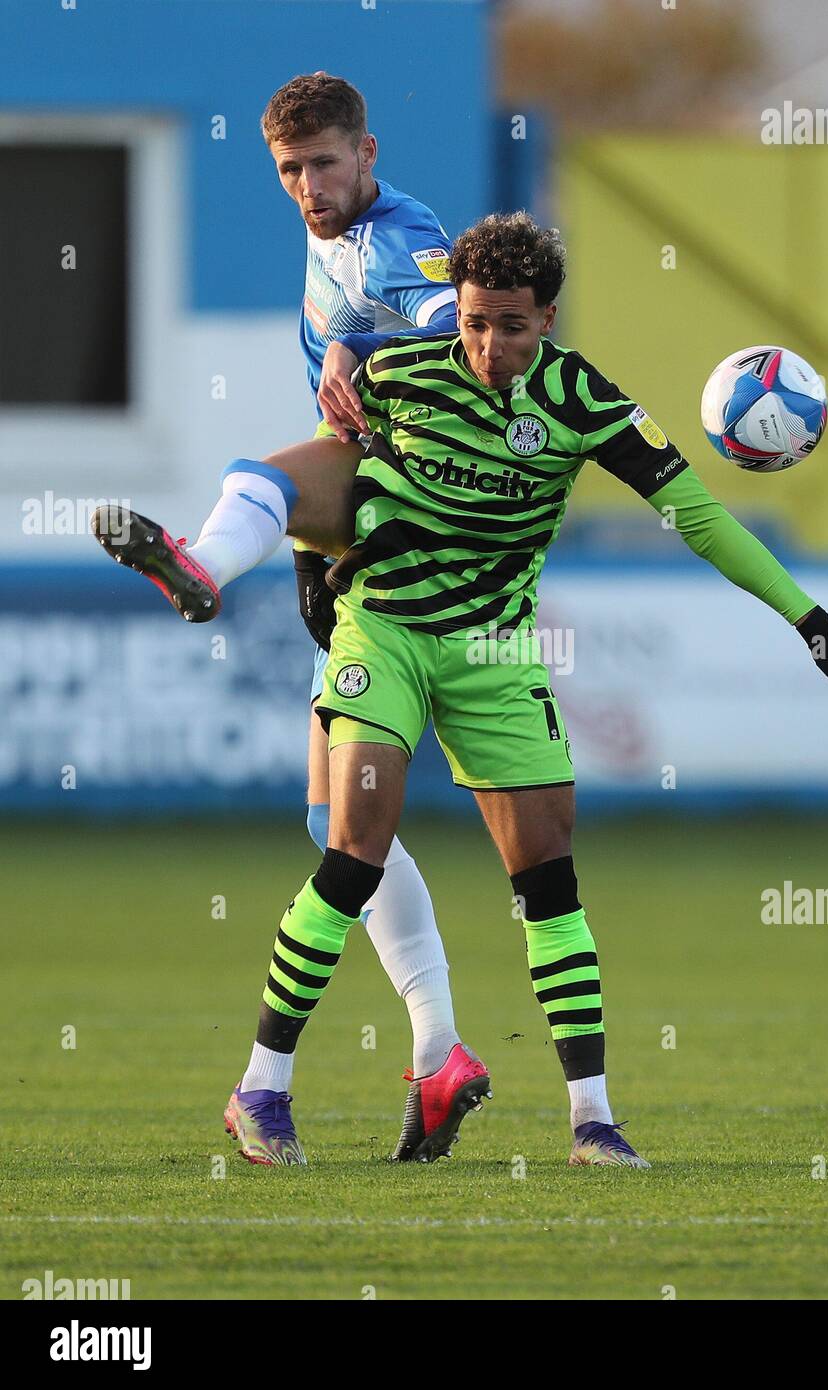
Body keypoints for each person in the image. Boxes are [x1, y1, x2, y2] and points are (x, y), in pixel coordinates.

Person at [248, 211, 828, 1169]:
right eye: (471, 321)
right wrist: (309, 561)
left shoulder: (584, 400)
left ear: (547, 317)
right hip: (382, 631)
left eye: (511, 324)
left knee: (549, 882)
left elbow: (701, 519)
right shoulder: (393, 371)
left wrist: (809, 619)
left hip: (496, 657)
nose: (487, 345)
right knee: (352, 850)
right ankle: (262, 1092)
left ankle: (593, 1122)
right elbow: (315, 468)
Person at [92, 73, 487, 1165]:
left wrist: (370, 355)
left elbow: (465, 341)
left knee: (256, 477)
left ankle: (201, 567)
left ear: (368, 152)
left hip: (411, 511)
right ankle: (440, 1051)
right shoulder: (335, 235)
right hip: (368, 537)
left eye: (323, 163)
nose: (308, 187)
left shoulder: (395, 238)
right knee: (338, 832)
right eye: (288, 171)